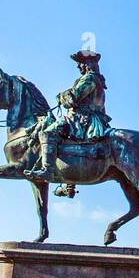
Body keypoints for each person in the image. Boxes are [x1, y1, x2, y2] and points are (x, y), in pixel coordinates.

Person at [28, 50, 111, 184]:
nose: (78, 67)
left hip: (83, 119)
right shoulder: (96, 79)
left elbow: (74, 98)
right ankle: (68, 184)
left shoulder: (89, 78)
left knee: (47, 133)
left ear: (87, 64)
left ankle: (47, 170)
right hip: (86, 118)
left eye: (80, 64)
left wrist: (61, 96)